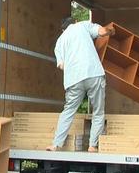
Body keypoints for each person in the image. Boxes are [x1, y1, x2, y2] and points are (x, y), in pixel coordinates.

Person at [46, 17, 115, 153]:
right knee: (98, 111)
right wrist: (110, 31)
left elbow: (61, 65)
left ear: (63, 29)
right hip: (93, 72)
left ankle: (55, 144)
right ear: (75, 21)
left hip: (74, 79)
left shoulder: (60, 42)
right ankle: (92, 146)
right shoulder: (82, 25)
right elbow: (101, 32)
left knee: (68, 111)